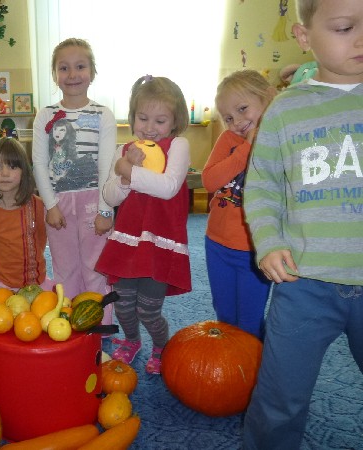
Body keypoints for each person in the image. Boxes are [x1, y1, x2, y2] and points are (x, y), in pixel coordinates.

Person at [242, 0, 363, 447]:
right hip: (303, 282)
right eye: (345, 27)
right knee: (280, 397)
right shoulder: (285, 109)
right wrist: (269, 241)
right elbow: (263, 186)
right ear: (304, 37)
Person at [95, 75, 192, 374]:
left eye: (160, 121)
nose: (150, 127)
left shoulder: (178, 145)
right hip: (127, 240)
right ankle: (132, 341)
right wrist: (125, 174)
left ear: (174, 122)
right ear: (132, 117)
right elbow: (109, 195)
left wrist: (129, 171)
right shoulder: (125, 150)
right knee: (123, 304)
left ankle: (162, 346)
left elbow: (168, 187)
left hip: (161, 242)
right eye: (142, 118)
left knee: (148, 309)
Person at [32, 37, 117, 324]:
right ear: (54, 74)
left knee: (95, 266)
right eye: (64, 67)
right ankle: (67, 321)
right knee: (65, 266)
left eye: (80, 66)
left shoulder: (103, 115)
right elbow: (39, 163)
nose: (72, 74)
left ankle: (100, 324)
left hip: (95, 201)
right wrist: (50, 205)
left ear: (92, 72)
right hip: (59, 204)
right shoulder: (45, 115)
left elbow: (107, 167)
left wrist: (106, 211)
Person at [201, 70, 274, 340]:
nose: (237, 122)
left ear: (268, 98)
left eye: (243, 109)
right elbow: (209, 181)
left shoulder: (278, 141)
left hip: (255, 250)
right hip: (217, 244)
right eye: (228, 118)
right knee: (225, 315)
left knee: (249, 321)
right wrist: (245, 150)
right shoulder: (228, 140)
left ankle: (257, 360)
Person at [0, 137, 54, 299]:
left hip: (35, 280)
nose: (4, 173)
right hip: (3, 281)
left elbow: (41, 237)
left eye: (12, 166)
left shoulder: (37, 205)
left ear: (24, 171)